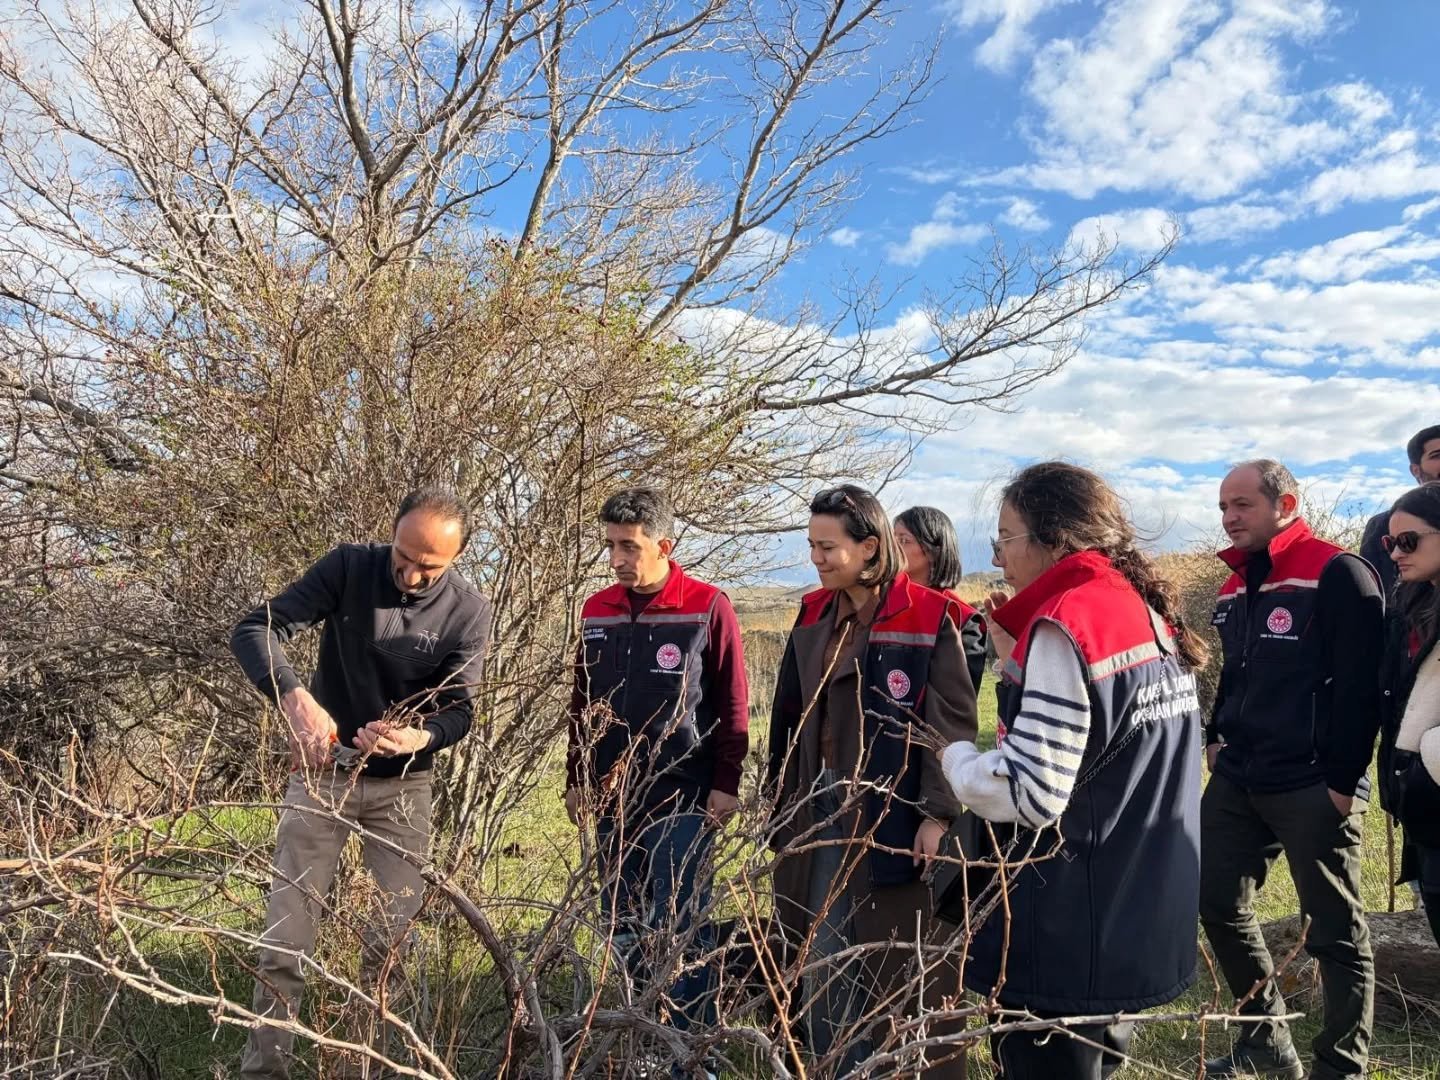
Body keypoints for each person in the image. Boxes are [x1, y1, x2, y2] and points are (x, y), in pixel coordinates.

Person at [939, 461, 1206, 1078]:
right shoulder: (1136, 607)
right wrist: (1016, 662)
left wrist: (957, 761)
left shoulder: (1068, 623)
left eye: (1005, 538)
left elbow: (1031, 793)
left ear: (1053, 538)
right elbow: (1102, 747)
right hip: (1133, 899)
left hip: (1070, 916)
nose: (998, 554)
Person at [230, 488, 492, 1080]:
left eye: (431, 566)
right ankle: (264, 1071)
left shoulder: (469, 610)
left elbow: (461, 710)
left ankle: (359, 1068)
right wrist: (293, 696)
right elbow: (254, 630)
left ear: (455, 559)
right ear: (391, 535)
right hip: (323, 777)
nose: (412, 573)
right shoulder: (348, 567)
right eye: (404, 556)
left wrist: (418, 738)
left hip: (404, 789)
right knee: (285, 939)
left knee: (389, 946)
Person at [767, 484, 974, 1080]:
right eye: (811, 546)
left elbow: (952, 724)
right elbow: (787, 715)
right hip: (817, 805)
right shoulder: (811, 614)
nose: (817, 559)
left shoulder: (930, 615)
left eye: (828, 547)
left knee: (906, 967)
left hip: (896, 812)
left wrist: (938, 813)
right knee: (820, 962)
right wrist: (781, 805)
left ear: (870, 545)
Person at [1201, 460, 1384, 1080]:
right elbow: (1233, 674)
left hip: (1312, 783)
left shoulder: (1338, 572)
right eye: (1224, 506)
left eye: (1243, 505)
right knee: (1218, 905)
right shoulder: (1232, 584)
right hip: (1237, 777)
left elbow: (1364, 688)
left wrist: (1343, 783)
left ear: (1287, 501)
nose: (1229, 518)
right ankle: (1266, 1046)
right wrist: (1214, 737)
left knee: (1334, 931)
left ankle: (1341, 1065)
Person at [565, 488, 749, 1070]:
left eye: (629, 546)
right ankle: (639, 1041)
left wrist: (726, 782)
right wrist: (576, 774)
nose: (616, 558)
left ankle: (694, 1057)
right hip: (611, 802)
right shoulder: (597, 609)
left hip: (683, 797)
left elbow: (734, 703)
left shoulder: (707, 606)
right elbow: (580, 702)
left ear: (663, 545)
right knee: (621, 926)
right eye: (609, 546)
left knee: (680, 932)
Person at [1377, 481, 1440, 946]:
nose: (1396, 553)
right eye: (1390, 543)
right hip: (1425, 811)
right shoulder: (1411, 607)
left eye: (1409, 540)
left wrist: (1429, 756)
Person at [895, 505, 989, 691]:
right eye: (892, 539)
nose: (892, 548)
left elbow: (961, 699)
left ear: (933, 551)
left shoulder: (963, 619)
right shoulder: (882, 604)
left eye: (904, 540)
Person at [1361, 424, 1440, 599]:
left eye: (1407, 541)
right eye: (1437, 455)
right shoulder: (1381, 525)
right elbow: (1374, 593)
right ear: (1415, 470)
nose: (1397, 553)